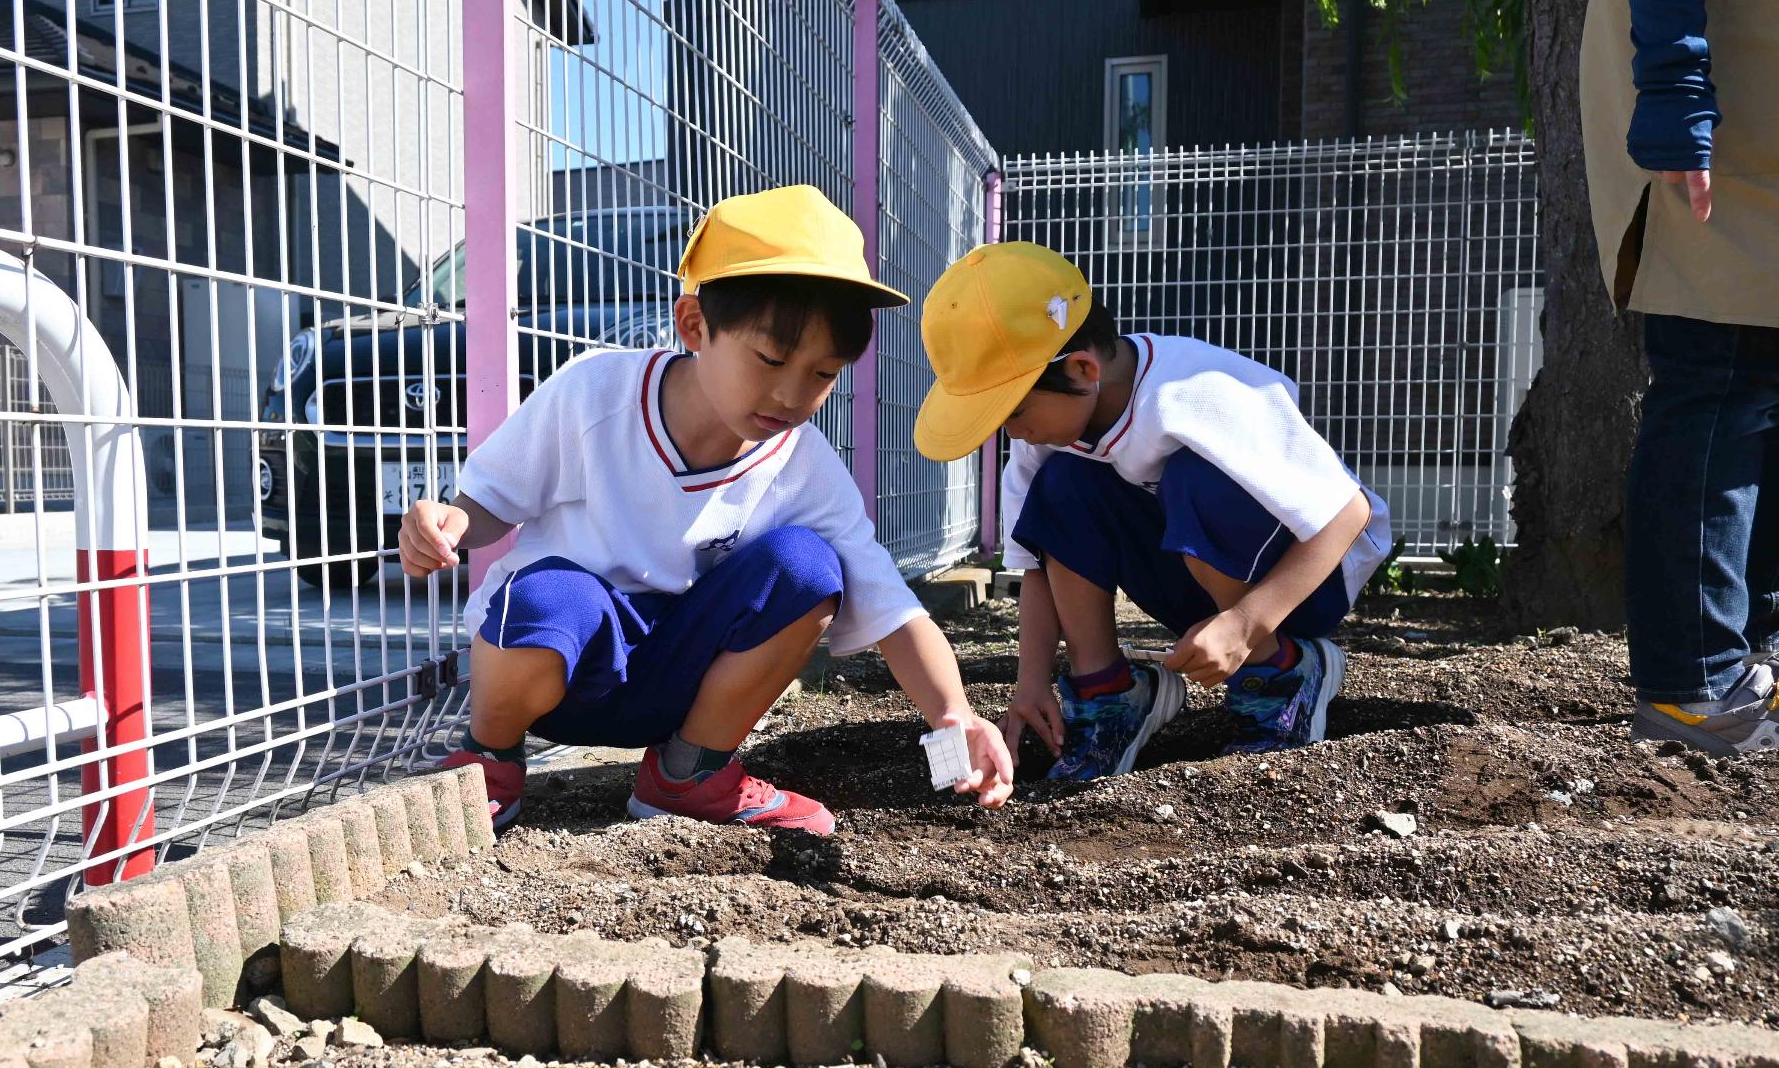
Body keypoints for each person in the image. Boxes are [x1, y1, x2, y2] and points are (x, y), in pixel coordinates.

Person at [397, 184, 1013, 833]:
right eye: (771, 358)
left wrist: (955, 718)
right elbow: (493, 497)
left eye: (822, 374)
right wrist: (451, 523)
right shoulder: (595, 394)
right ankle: (491, 764)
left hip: (679, 683)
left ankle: (688, 776)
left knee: (809, 567)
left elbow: (890, 604)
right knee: (548, 593)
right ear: (695, 325)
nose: (791, 392)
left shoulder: (802, 464)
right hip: (561, 673)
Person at [912, 241, 1390, 781]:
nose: (1011, 432)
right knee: (1063, 483)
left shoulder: (1193, 395)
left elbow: (1347, 513)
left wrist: (1245, 623)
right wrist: (1031, 683)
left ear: (1083, 367)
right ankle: (1110, 694)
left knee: (1192, 476)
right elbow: (1037, 564)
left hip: (1305, 583)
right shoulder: (1046, 436)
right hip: (1202, 594)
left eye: (1013, 410)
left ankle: (1282, 672)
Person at [1580, 0, 1779, 754]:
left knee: (1764, 378)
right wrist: (1674, 88)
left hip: (1757, 69)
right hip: (1712, 65)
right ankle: (1692, 685)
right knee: (1718, 368)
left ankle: (1754, 659)